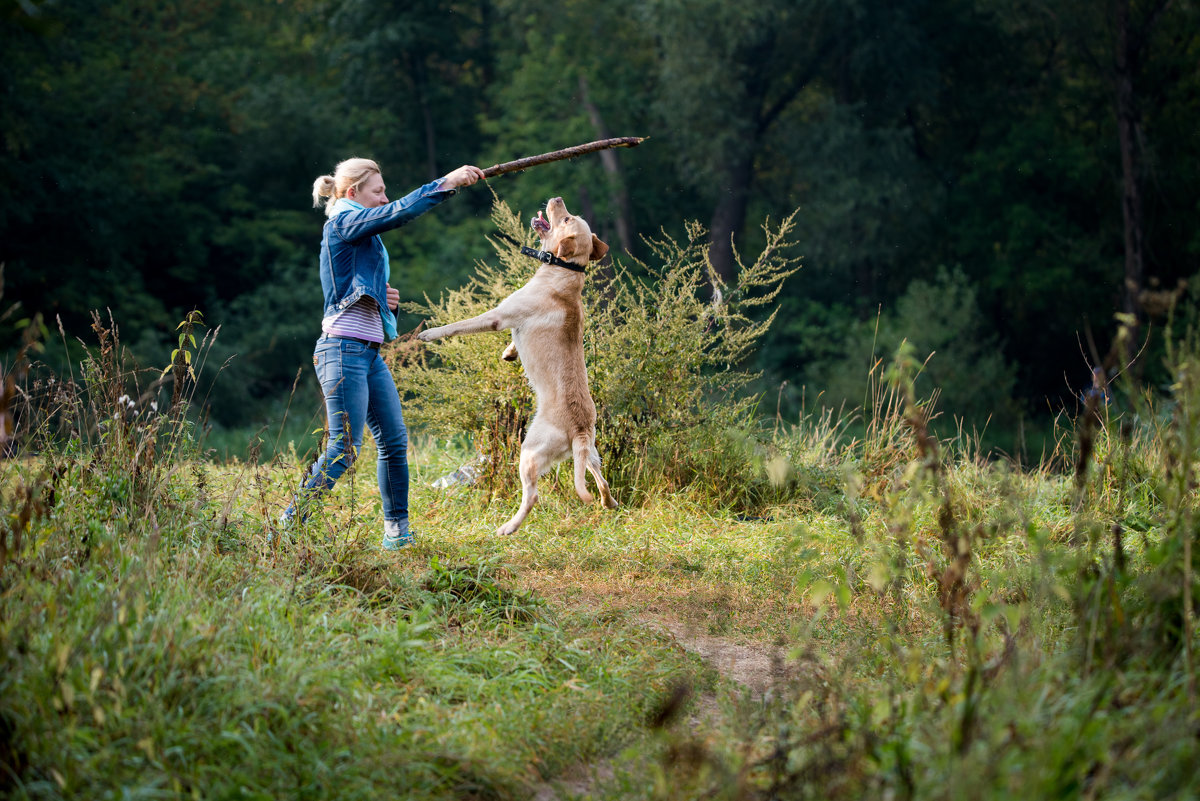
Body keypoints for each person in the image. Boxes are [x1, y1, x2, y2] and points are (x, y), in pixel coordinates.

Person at [280, 157, 485, 549]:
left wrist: (386, 302)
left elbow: (356, 285)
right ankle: (292, 522)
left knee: (393, 441)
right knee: (345, 448)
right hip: (341, 350)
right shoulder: (342, 222)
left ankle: (397, 534)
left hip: (367, 352)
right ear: (353, 192)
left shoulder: (359, 230)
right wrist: (445, 183)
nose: (384, 198)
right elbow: (397, 213)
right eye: (378, 191)